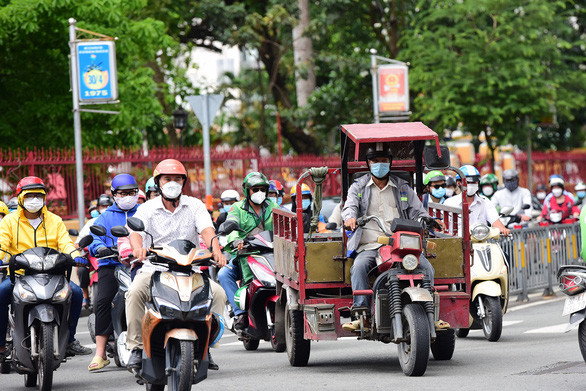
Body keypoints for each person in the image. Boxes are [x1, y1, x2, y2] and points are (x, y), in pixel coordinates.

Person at [125, 159, 227, 371]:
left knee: (218, 294)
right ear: (158, 182)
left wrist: (216, 250)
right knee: (134, 293)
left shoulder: (195, 205)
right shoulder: (147, 208)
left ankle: (206, 345)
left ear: (184, 182)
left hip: (189, 269)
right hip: (155, 269)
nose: (172, 183)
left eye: (177, 179)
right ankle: (135, 348)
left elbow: (207, 229)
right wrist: (138, 248)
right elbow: (135, 232)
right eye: (167, 179)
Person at [341, 145, 445, 332]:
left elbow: (418, 211)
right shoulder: (358, 187)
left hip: (402, 243)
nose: (379, 165)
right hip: (371, 244)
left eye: (384, 161)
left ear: (390, 163)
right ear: (368, 164)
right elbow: (349, 206)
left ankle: (432, 313)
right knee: (358, 267)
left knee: (427, 268)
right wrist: (350, 218)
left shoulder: (402, 187)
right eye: (375, 161)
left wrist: (428, 220)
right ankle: (361, 313)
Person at [0, 176, 92, 358]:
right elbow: (2, 244)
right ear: (20, 197)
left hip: (53, 275)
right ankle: (2, 345)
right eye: (29, 195)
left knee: (77, 294)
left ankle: (70, 340)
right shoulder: (9, 221)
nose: (34, 200)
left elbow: (66, 244)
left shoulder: (55, 220)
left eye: (38, 195)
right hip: (19, 276)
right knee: (0, 295)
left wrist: (76, 257)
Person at [87, 174, 140, 371]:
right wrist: (100, 248)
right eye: (123, 193)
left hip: (139, 264)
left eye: (132, 192)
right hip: (111, 264)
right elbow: (94, 237)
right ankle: (100, 353)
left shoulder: (144, 211)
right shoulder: (105, 216)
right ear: (114, 194)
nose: (128, 196)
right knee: (102, 301)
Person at [218, 172, 279, 330]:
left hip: (271, 256)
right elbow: (232, 223)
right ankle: (240, 313)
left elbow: (285, 221)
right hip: (244, 255)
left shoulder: (272, 206)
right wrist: (236, 240)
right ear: (247, 191)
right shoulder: (237, 208)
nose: (260, 193)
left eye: (262, 189)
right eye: (255, 189)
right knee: (223, 274)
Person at [444, 166, 510, 236]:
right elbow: (443, 227)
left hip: (481, 243)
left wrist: (503, 229)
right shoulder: (449, 203)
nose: (471, 185)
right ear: (458, 183)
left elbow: (495, 221)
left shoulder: (485, 202)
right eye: (468, 182)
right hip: (457, 244)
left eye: (474, 182)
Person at [76, 193, 114, 309]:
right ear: (98, 208)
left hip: (112, 254)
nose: (105, 208)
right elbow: (78, 242)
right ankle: (85, 296)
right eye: (103, 206)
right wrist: (80, 248)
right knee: (81, 270)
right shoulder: (92, 222)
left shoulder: (114, 219)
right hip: (94, 254)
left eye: (108, 205)